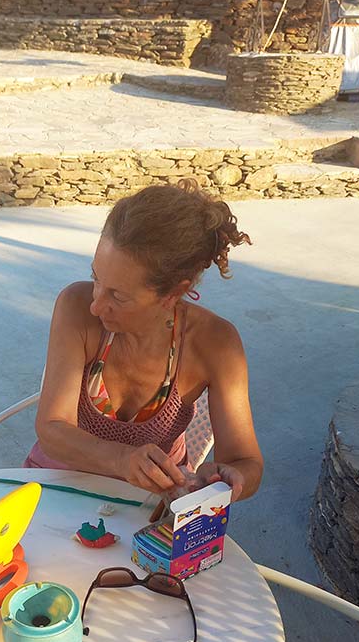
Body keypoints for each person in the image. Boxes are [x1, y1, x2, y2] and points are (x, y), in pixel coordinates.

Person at [26, 181, 263, 501]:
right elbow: (52, 428)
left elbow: (244, 461)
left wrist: (231, 479)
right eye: (97, 278)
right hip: (59, 484)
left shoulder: (215, 344)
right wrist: (122, 459)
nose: (96, 305)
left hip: (150, 504)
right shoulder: (77, 307)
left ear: (173, 293)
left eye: (118, 296)